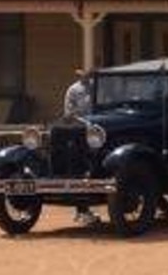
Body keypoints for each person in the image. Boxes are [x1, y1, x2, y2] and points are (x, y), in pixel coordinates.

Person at [63, 69, 97, 225]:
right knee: (79, 168)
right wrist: (84, 122)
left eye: (89, 75)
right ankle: (81, 210)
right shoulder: (74, 90)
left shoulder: (97, 87)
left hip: (98, 132)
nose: (87, 77)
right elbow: (69, 114)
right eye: (85, 75)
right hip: (79, 132)